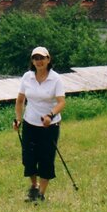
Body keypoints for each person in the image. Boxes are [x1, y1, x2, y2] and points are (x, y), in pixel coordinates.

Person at [13, 46, 66, 202]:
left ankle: (41, 194)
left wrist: (50, 114)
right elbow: (20, 100)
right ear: (32, 61)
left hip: (49, 125)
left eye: (42, 58)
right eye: (36, 58)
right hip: (30, 123)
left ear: (48, 59)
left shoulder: (55, 78)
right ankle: (34, 187)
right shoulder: (27, 77)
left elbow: (61, 102)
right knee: (29, 158)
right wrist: (18, 119)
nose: (39, 61)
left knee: (46, 158)